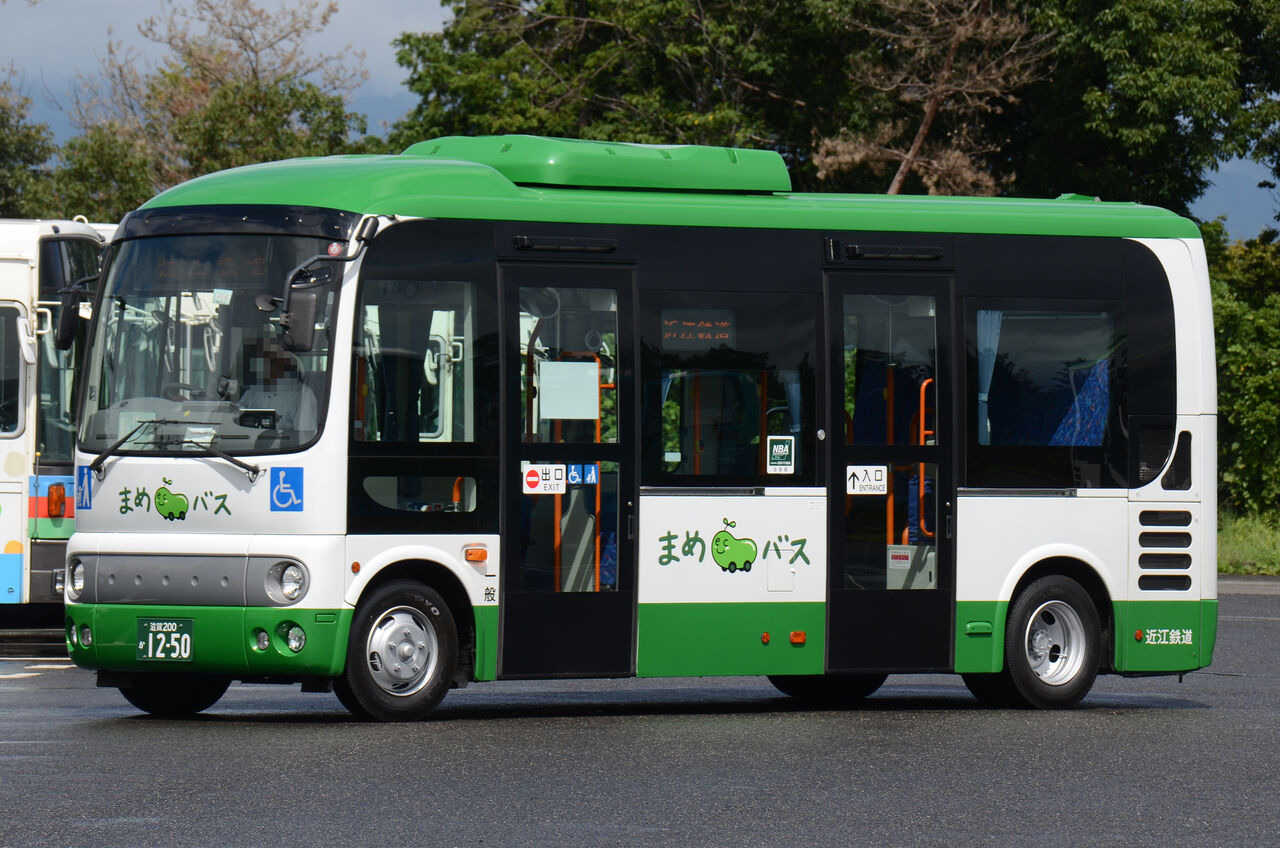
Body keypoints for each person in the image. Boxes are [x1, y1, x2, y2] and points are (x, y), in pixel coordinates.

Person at [238, 335, 318, 438]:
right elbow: (238, 413)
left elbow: (304, 436)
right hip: (246, 445)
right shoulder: (256, 388)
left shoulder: (303, 395)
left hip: (279, 450)